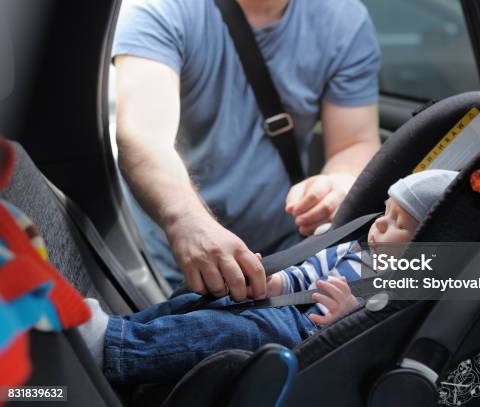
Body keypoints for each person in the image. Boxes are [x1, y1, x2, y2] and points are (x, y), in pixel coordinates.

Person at [79, 170, 458, 384]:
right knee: (201, 302)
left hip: (304, 336)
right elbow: (310, 273)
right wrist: (273, 282)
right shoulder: (355, 250)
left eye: (397, 224)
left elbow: (370, 330)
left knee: (228, 332)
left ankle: (117, 350)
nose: (379, 224)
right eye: (385, 212)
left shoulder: (404, 286)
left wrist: (346, 312)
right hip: (283, 306)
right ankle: (117, 328)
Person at [112, 0, 382, 297]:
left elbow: (355, 142)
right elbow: (143, 136)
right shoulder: (162, 8)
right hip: (170, 254)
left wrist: (338, 183)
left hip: (282, 254)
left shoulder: (343, 19)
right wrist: (185, 221)